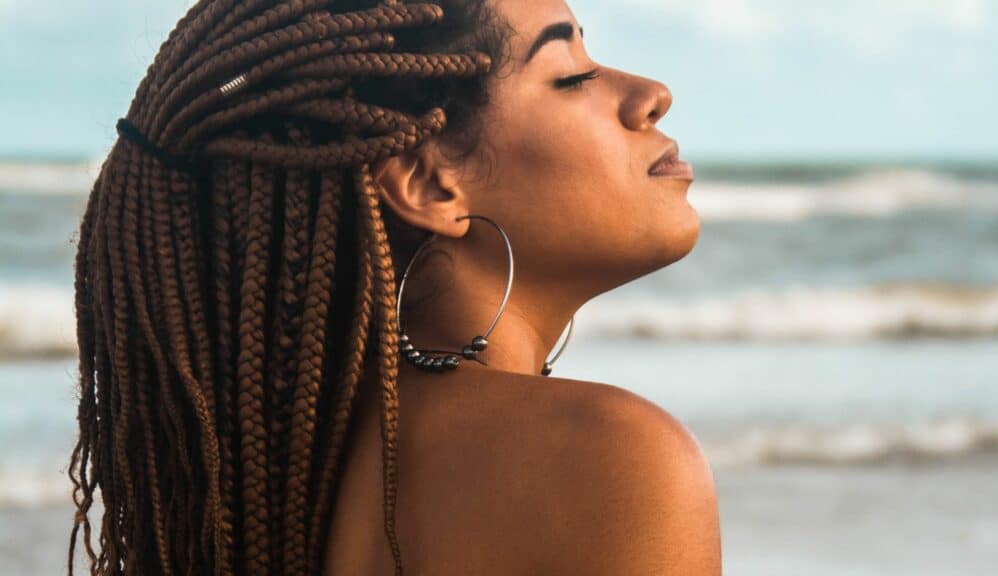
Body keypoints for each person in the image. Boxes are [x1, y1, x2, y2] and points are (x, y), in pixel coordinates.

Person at [67, 0, 719, 574]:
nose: (651, 93)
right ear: (430, 186)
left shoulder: (260, 487)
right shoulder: (612, 458)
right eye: (570, 75)